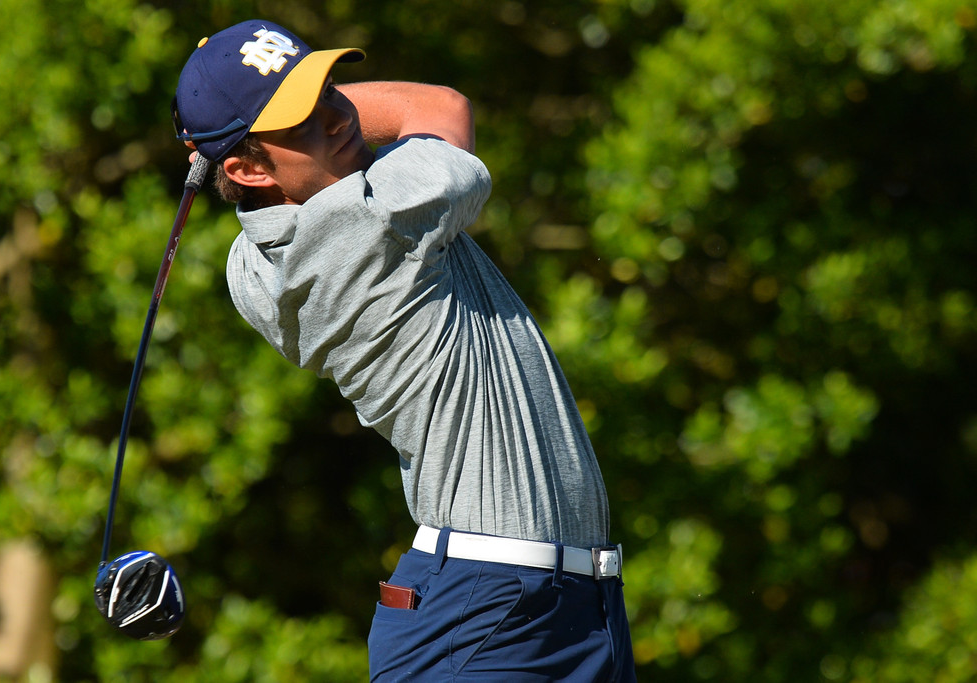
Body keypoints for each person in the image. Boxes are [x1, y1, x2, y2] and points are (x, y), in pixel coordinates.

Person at [173, 19, 637, 682]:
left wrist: (231, 133)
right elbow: (438, 107)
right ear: (247, 167)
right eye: (303, 118)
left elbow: (284, 190)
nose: (338, 116)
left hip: (558, 605)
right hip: (487, 615)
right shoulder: (372, 217)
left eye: (329, 91)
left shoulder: (249, 265)